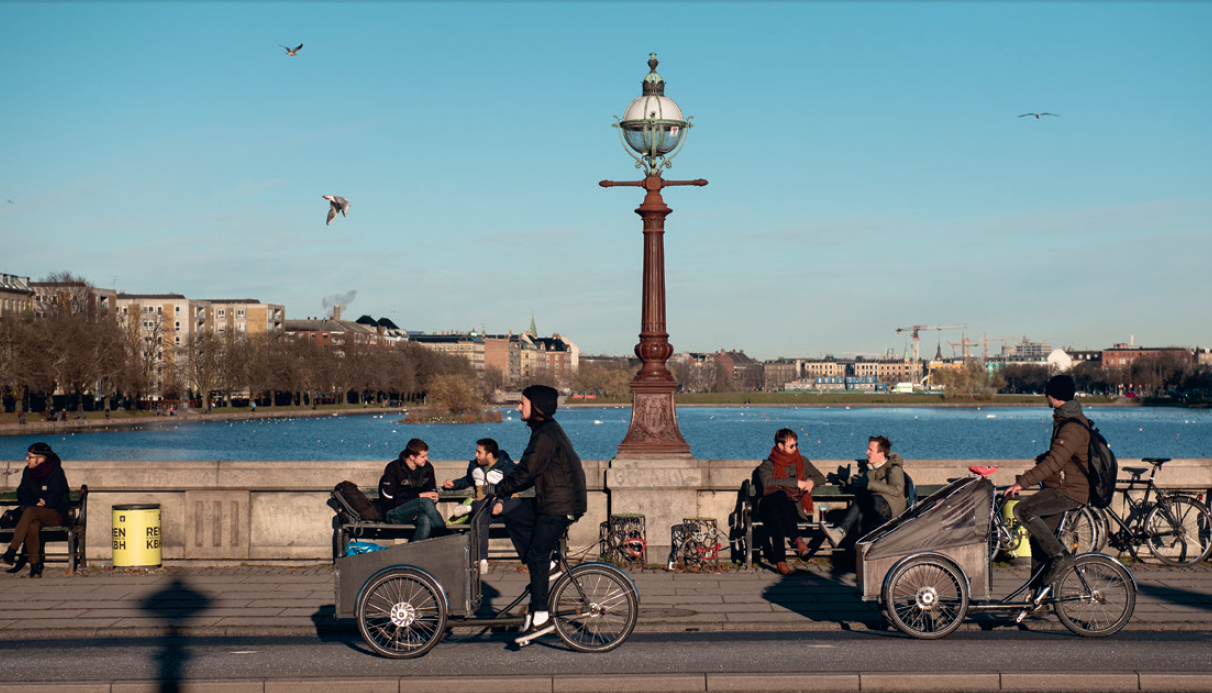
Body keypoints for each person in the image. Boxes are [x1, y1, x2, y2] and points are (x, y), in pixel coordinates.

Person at [484, 384, 586, 645]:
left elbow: (527, 471)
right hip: (552, 499)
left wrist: (497, 488)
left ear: (536, 407)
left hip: (560, 505)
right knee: (513, 513)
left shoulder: (544, 435)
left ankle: (541, 617)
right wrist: (505, 493)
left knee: (537, 555)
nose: (517, 407)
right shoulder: (545, 430)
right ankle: (549, 565)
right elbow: (531, 473)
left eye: (522, 403)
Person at [1005, 374, 1089, 588]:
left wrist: (1021, 483)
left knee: (1023, 510)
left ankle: (1061, 556)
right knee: (1039, 542)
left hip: (1068, 491)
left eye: (1047, 392)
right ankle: (1038, 599)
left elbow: (1054, 463)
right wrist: (1046, 455)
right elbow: (1063, 455)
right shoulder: (1067, 418)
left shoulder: (1071, 425)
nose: (1045, 396)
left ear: (1053, 396)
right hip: (1061, 486)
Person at [442, 438, 522, 574]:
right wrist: (454, 484)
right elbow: (468, 479)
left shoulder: (507, 467)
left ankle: (471, 507)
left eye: (479, 452)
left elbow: (511, 487)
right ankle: (482, 560)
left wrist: (501, 502)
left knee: (513, 504)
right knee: (480, 519)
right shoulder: (474, 466)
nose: (475, 455)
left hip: (505, 509)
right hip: (486, 510)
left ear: (489, 455)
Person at [756, 428, 826, 575]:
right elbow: (768, 483)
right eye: (791, 446)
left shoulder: (802, 461)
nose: (795, 448)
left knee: (778, 512)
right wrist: (796, 482)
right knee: (779, 496)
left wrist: (811, 481)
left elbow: (821, 477)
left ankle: (780, 562)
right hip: (766, 507)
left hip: (791, 508)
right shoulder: (767, 465)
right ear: (780, 446)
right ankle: (798, 540)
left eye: (796, 444)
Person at [821, 436, 906, 549]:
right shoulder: (871, 469)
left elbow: (897, 490)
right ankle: (856, 555)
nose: (866, 452)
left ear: (880, 453)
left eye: (870, 450)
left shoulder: (893, 469)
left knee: (863, 499)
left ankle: (840, 532)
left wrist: (869, 484)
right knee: (857, 515)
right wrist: (843, 479)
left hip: (890, 508)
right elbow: (858, 483)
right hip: (872, 506)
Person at [2, 442, 71, 578]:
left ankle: (12, 550)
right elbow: (22, 493)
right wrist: (35, 502)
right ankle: (35, 566)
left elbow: (55, 497)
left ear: (41, 458)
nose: (27, 459)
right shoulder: (28, 472)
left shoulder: (56, 472)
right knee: (32, 524)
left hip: (55, 514)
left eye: (30, 457)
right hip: (34, 512)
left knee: (30, 512)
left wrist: (43, 502)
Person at [378, 438, 445, 542]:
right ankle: (445, 538)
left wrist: (433, 497)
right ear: (412, 457)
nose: (426, 458)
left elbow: (431, 493)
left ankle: (416, 554)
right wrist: (419, 497)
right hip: (393, 514)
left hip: (418, 511)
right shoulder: (393, 468)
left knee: (425, 519)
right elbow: (390, 502)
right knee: (425, 501)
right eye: (423, 456)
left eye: (426, 455)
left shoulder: (427, 468)